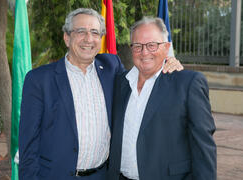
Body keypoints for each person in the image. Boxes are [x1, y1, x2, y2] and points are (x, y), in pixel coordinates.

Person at [18, 8, 183, 180]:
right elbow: (28, 145)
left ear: (101, 38)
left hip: (102, 176)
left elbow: (144, 79)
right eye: (81, 31)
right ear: (67, 38)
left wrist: (167, 63)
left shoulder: (111, 67)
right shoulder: (39, 80)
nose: (88, 39)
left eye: (95, 32)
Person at [108, 16, 217, 180]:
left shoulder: (187, 84)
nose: (145, 52)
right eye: (138, 46)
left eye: (152, 45)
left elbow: (203, 147)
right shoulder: (119, 83)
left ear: (166, 48)